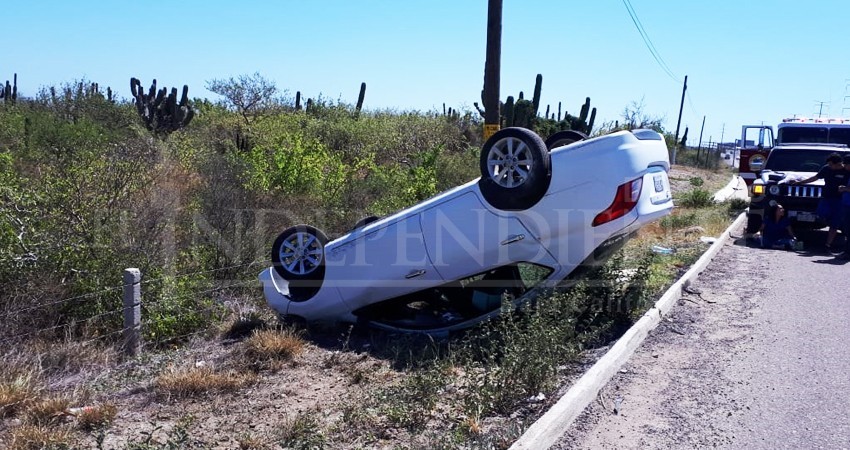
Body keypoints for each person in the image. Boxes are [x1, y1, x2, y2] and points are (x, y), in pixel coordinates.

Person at [789, 153, 847, 252]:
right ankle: (824, 224)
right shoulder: (826, 169)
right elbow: (815, 178)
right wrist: (800, 182)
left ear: (838, 163)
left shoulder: (846, 171)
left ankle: (828, 244)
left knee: (835, 224)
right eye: (828, 164)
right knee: (821, 213)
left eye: (831, 164)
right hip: (826, 198)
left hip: (839, 200)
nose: (829, 166)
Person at [837, 154, 850, 259]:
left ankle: (847, 253)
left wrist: (844, 189)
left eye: (845, 164)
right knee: (846, 229)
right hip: (846, 204)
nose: (844, 167)